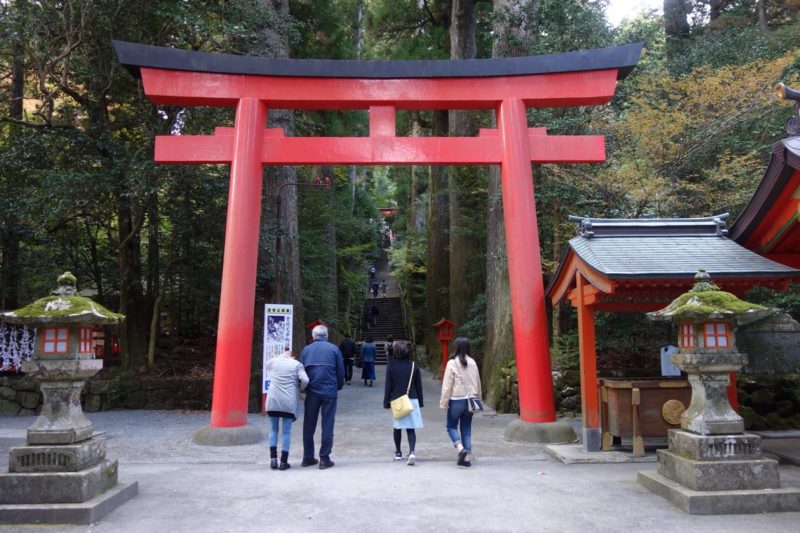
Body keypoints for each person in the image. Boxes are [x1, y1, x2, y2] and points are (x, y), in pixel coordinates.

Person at [300, 325, 345, 470]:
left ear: (314, 336)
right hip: (329, 391)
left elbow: (301, 372)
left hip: (312, 391)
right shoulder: (334, 349)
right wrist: (337, 386)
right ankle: (324, 459)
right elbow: (340, 371)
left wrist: (304, 388)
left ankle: (307, 457)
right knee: (327, 425)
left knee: (309, 425)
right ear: (326, 336)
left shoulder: (306, 350)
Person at [439, 337, 482, 468]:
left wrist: (443, 402)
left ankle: (460, 448)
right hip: (470, 400)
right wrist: (478, 399)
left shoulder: (452, 363)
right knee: (466, 428)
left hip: (456, 400)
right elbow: (478, 383)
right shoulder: (473, 362)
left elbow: (447, 386)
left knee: (451, 427)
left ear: (456, 348)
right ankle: (467, 458)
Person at [264, 348, 309, 471]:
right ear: (292, 355)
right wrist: (300, 389)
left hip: (273, 400)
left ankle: (273, 459)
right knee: (286, 432)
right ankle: (284, 462)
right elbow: (305, 380)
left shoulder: (273, 362)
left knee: (273, 429)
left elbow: (268, 365)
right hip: (288, 401)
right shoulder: (296, 364)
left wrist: (280, 357)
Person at [383, 340, 423, 465]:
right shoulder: (413, 365)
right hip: (412, 399)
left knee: (397, 428)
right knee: (411, 428)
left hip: (397, 400)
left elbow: (388, 386)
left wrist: (386, 401)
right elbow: (418, 385)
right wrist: (420, 402)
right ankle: (411, 452)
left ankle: (399, 453)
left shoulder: (391, 365)